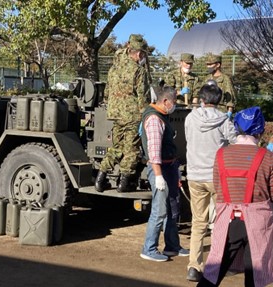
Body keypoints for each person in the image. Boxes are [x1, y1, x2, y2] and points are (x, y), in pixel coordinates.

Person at [197, 106, 273, 287]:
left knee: (216, 266)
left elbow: (218, 187)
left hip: (228, 220)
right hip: (259, 222)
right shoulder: (268, 157)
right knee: (254, 272)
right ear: (259, 131)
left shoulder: (221, 154)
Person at [184, 83, 237, 281]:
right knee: (219, 222)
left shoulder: (190, 117)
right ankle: (216, 264)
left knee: (198, 222)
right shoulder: (224, 121)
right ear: (219, 101)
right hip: (217, 176)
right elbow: (235, 141)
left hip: (195, 175)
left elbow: (189, 139)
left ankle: (193, 266)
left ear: (202, 99)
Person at [94, 34, 151, 193]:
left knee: (117, 147)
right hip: (132, 116)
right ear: (139, 54)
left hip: (115, 114)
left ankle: (100, 177)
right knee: (131, 150)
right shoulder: (138, 71)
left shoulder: (114, 69)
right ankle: (124, 183)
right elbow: (143, 97)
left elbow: (106, 93)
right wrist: (146, 115)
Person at [139, 85, 189, 262]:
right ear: (165, 101)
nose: (175, 105)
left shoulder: (163, 116)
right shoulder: (154, 119)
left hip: (169, 167)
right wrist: (158, 176)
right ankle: (149, 248)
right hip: (159, 169)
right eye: (174, 102)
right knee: (159, 210)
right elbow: (153, 152)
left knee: (171, 208)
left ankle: (172, 246)